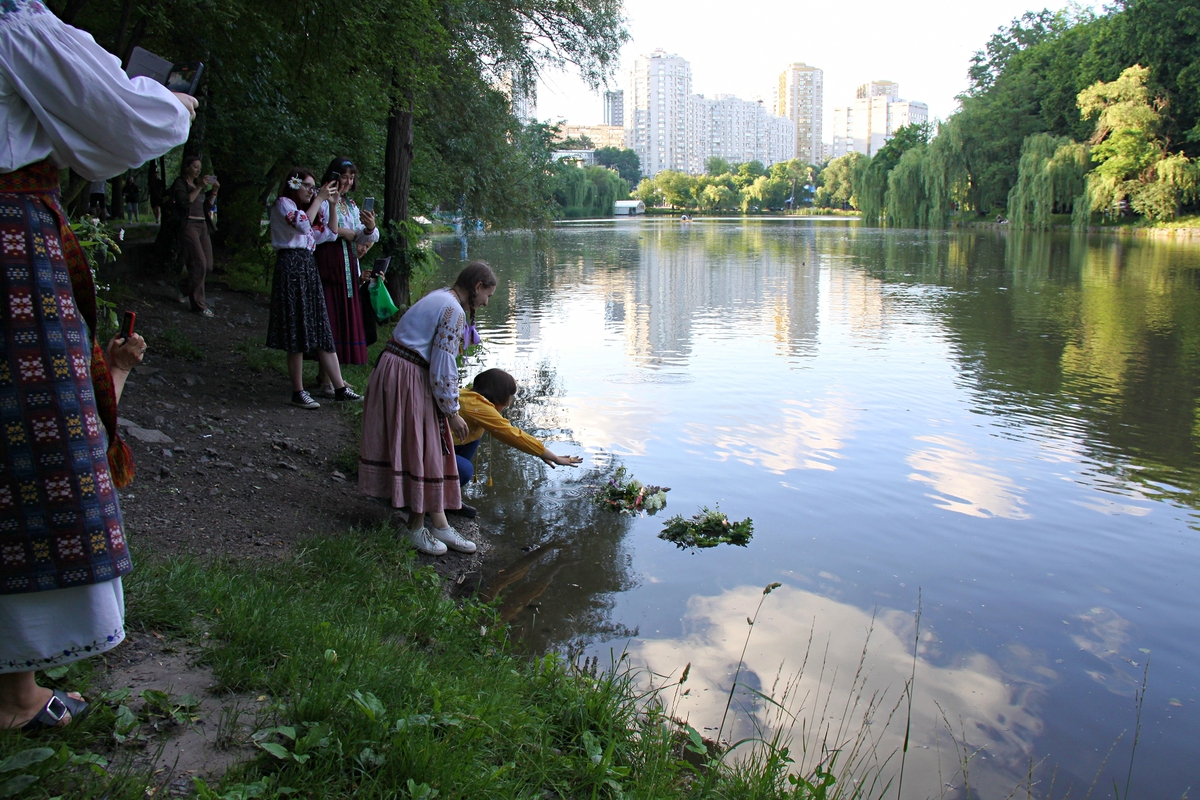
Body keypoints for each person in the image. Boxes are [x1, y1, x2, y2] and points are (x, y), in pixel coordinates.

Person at [0, 0, 194, 731]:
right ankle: (16, 696)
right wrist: (170, 104)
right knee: (34, 459)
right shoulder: (14, 24)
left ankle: (15, 685)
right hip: (10, 257)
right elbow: (118, 128)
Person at [358, 262, 498, 556]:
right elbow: (443, 365)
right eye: (487, 295)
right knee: (424, 447)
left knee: (426, 445)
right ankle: (414, 529)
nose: (486, 303)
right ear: (477, 286)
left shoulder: (443, 297)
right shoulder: (453, 310)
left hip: (400, 368)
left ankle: (438, 522)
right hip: (407, 374)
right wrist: (452, 411)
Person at [266, 167, 363, 409]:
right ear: (294, 184)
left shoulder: (308, 209)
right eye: (308, 186)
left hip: (308, 267)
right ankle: (298, 391)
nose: (312, 191)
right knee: (296, 330)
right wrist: (319, 198)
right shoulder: (283, 204)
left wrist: (331, 204)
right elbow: (301, 224)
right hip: (290, 266)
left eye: (313, 187)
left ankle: (339, 388)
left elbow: (329, 233)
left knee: (322, 324)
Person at [450, 368, 582, 518]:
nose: (508, 403)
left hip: (440, 448)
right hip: (428, 455)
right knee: (464, 470)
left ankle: (448, 498)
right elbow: (512, 434)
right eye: (509, 397)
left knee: (474, 435)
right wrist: (552, 456)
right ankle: (436, 499)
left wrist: (539, 453)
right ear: (498, 395)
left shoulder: (468, 395)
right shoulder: (477, 407)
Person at [311, 157, 378, 397]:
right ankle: (328, 378)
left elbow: (362, 237)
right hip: (328, 261)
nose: (348, 182)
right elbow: (320, 229)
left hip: (347, 263)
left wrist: (369, 229)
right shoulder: (321, 199)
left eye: (352, 177)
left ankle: (328, 375)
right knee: (329, 316)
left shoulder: (349, 204)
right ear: (334, 175)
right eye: (344, 176)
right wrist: (344, 232)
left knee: (339, 317)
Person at [170, 156, 217, 317]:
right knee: (199, 263)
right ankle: (199, 305)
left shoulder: (200, 187)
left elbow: (207, 206)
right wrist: (199, 186)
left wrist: (214, 190)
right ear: (188, 167)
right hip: (189, 225)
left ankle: (183, 287)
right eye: (195, 166)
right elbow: (184, 202)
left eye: (200, 167)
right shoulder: (180, 184)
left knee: (208, 265)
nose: (198, 170)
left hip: (203, 225)